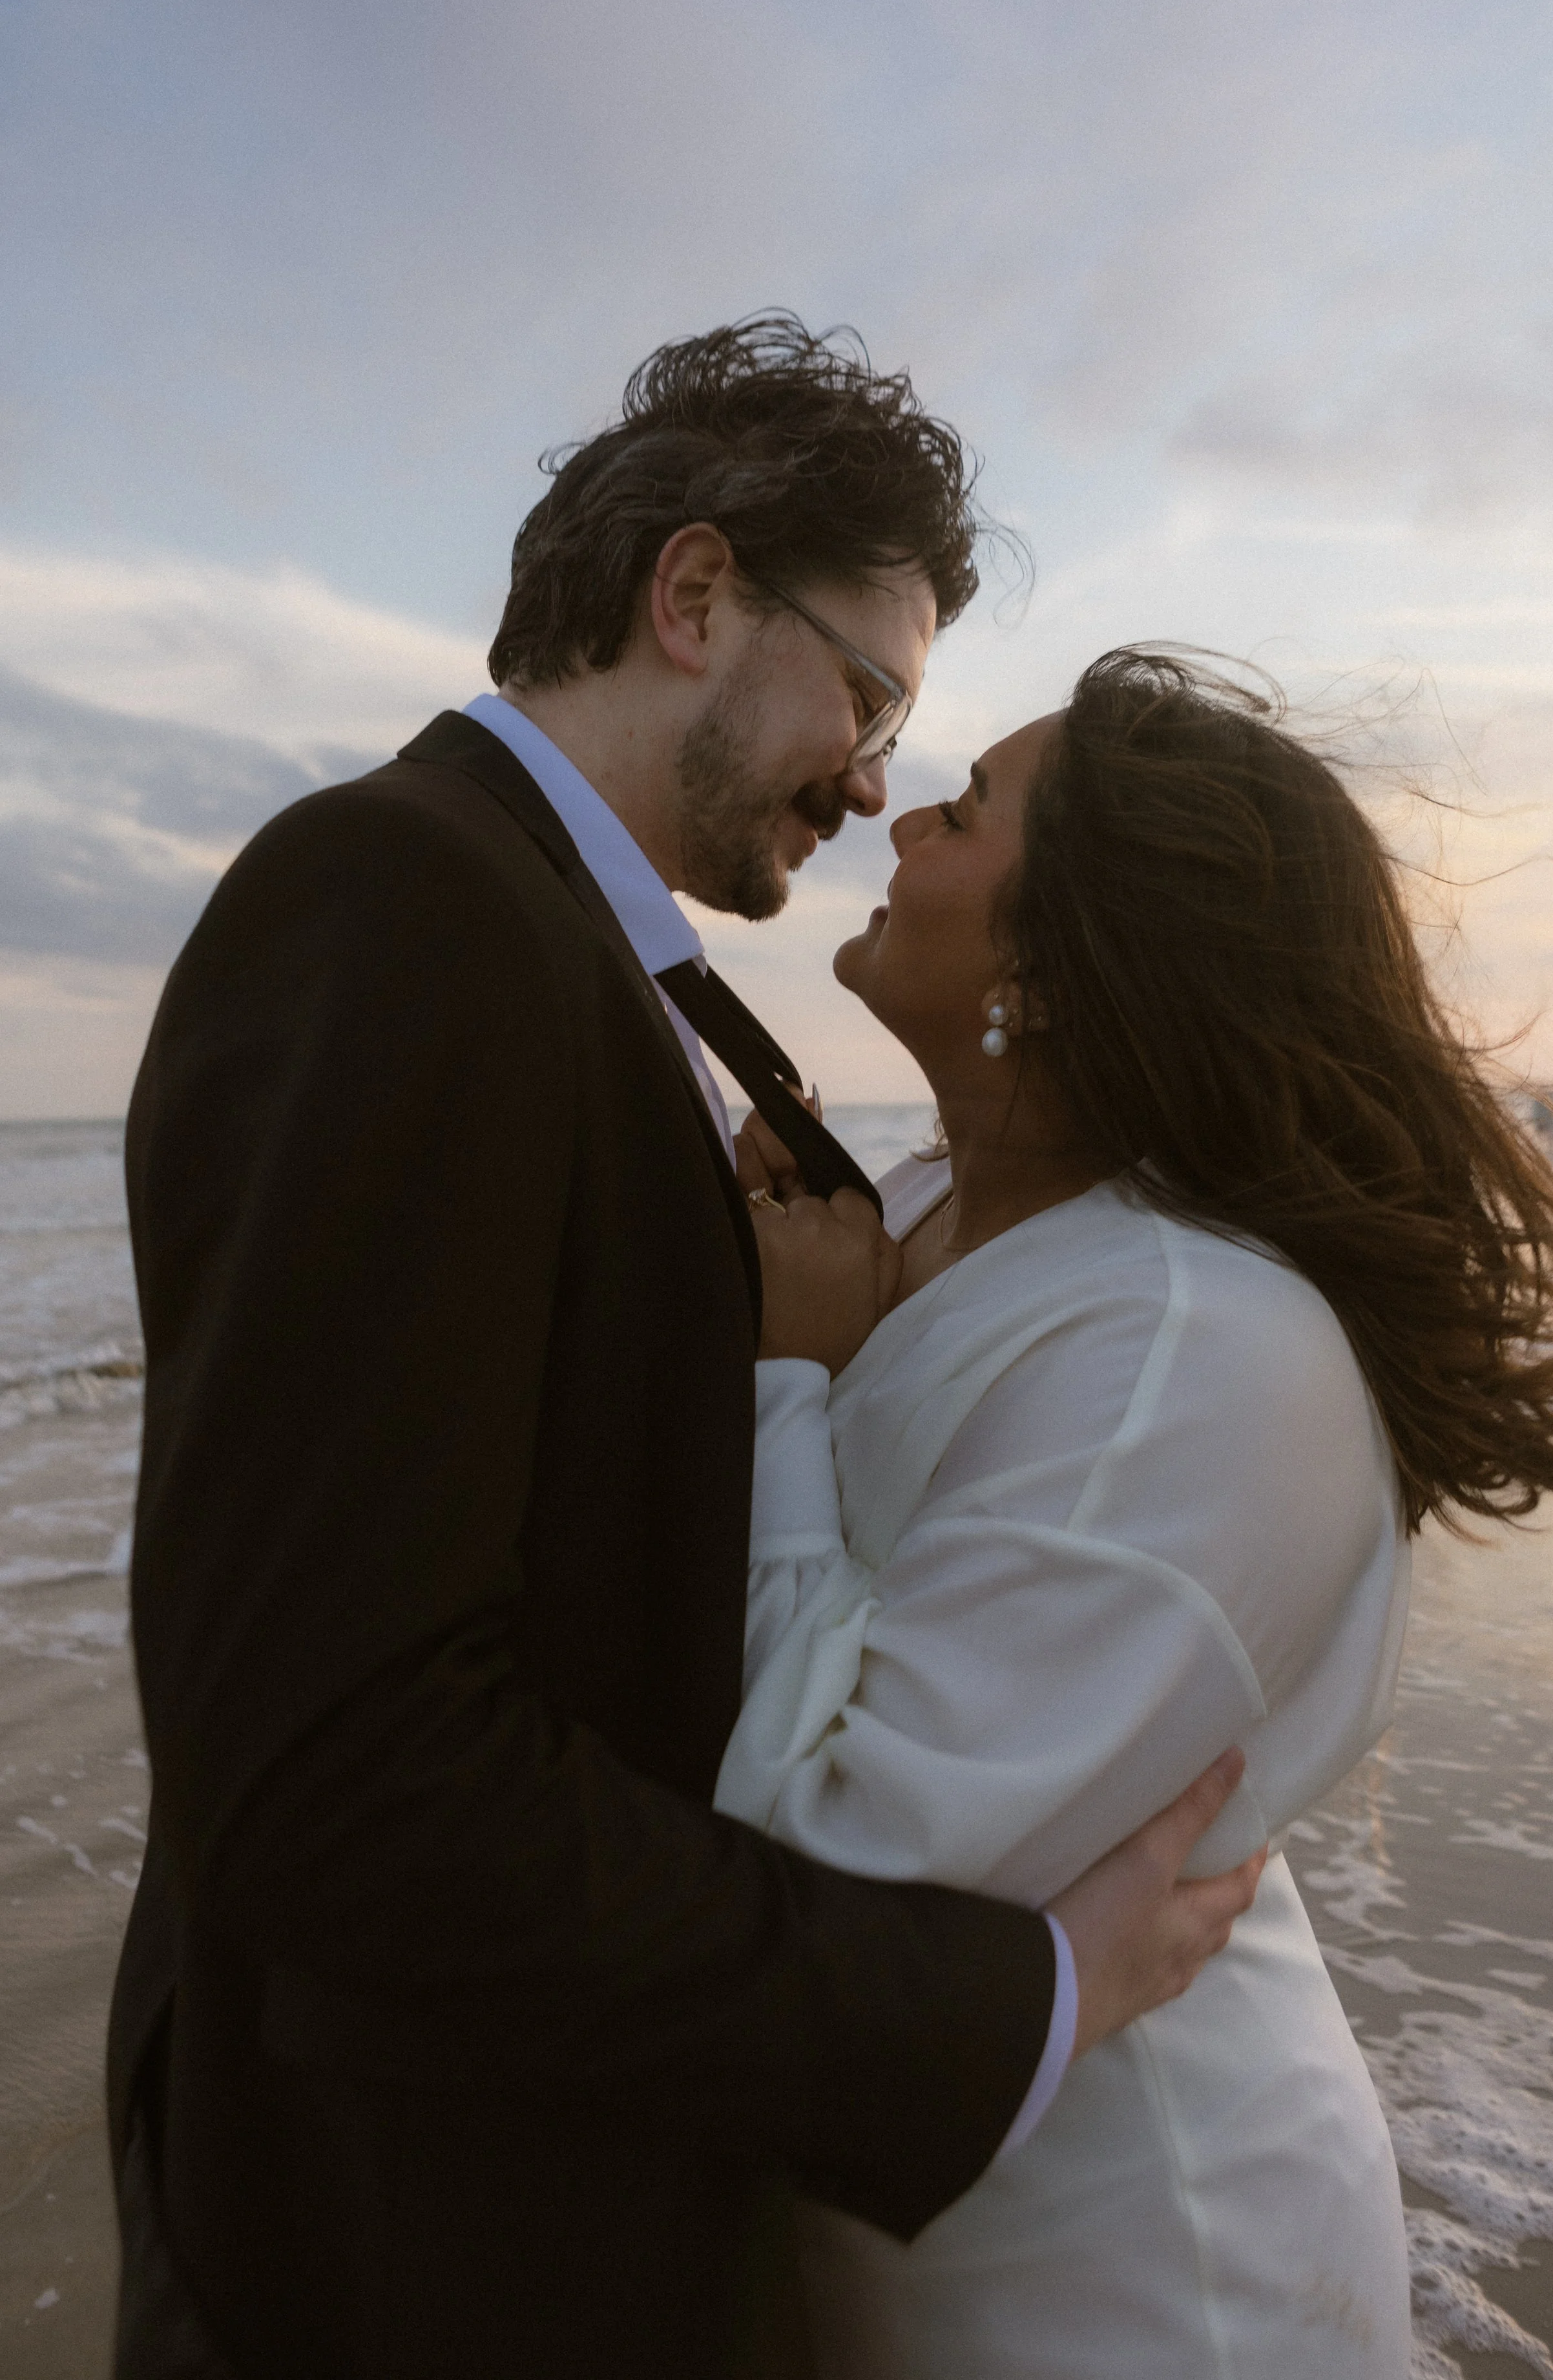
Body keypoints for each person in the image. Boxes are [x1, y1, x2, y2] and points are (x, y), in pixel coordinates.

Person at [107, 326, 1263, 2380]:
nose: (874, 778)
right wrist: (1001, 2001)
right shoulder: (397, 898)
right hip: (413, 2261)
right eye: (871, 699)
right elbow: (334, 1775)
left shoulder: (569, 946)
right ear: (696, 595)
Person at [722, 651, 1553, 2378]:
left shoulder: (1190, 1343)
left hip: (1127, 2282)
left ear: (1056, 962)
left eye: (966, 807)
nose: (898, 816)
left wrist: (777, 1378)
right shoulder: (906, 1211)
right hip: (910, 2226)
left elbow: (828, 1862)